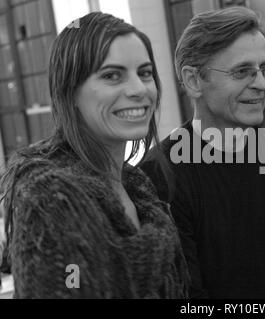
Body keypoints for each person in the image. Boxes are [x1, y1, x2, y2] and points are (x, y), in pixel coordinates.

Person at [0, 12, 189, 298]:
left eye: (145, 72)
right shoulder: (51, 196)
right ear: (70, 91)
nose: (139, 89)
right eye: (112, 75)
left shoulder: (138, 186)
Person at [140, 7, 265, 298]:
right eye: (242, 71)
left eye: (264, 69)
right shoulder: (159, 174)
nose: (261, 84)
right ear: (194, 80)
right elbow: (185, 296)